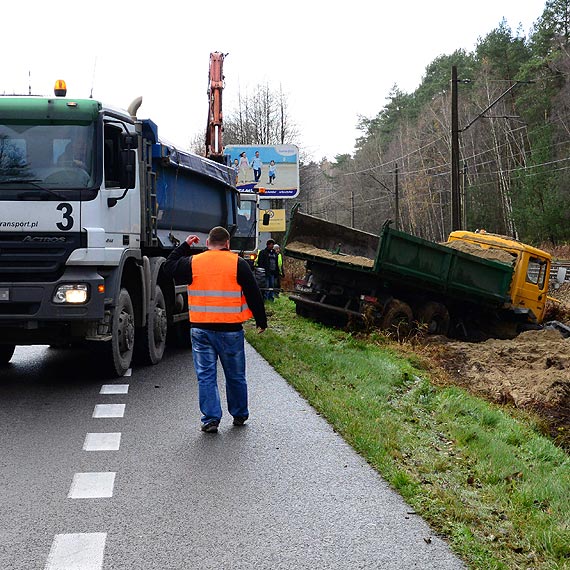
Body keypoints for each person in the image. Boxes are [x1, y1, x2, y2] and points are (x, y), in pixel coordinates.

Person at [163, 226, 267, 433]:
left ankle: (210, 419)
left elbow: (168, 267)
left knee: (206, 375)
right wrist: (261, 320)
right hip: (230, 330)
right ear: (227, 244)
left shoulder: (193, 262)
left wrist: (184, 246)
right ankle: (239, 414)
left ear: (208, 243)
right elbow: (254, 293)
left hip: (201, 330)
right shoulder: (238, 263)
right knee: (235, 375)